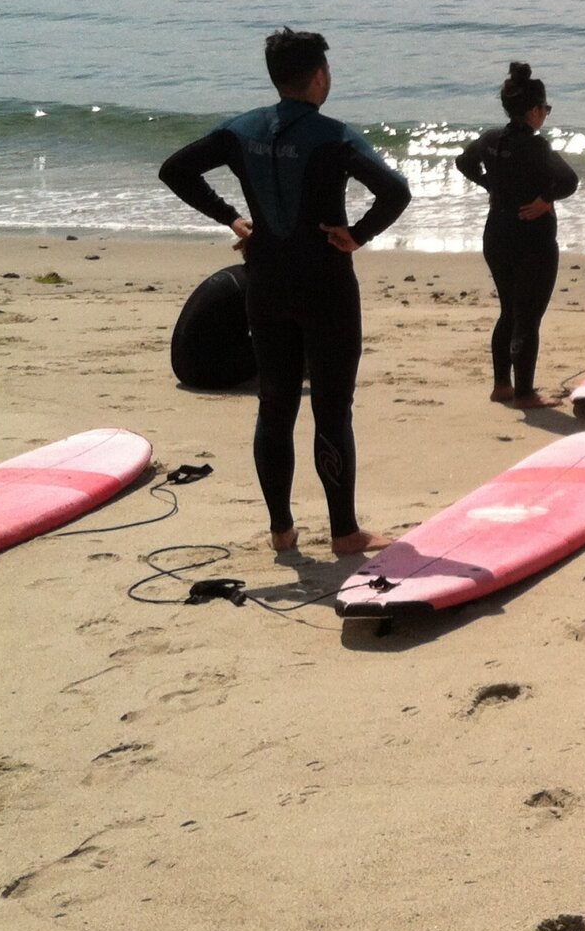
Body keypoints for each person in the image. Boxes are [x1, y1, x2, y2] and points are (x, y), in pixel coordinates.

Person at [159, 28, 409, 556]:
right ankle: (344, 533)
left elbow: (175, 169)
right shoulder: (335, 134)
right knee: (331, 408)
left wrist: (233, 219)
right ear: (320, 75)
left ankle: (282, 532)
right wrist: (357, 235)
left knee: (274, 405)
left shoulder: (240, 130)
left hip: (266, 283)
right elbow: (396, 190)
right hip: (325, 286)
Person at [455, 62, 580, 407]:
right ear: (535, 110)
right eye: (546, 109)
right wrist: (544, 201)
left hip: (496, 233)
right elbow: (570, 181)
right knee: (528, 316)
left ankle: (502, 386)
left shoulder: (490, 138)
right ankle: (525, 393)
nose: (546, 115)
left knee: (509, 310)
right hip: (533, 240)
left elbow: (463, 163)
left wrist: (490, 185)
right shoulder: (536, 145)